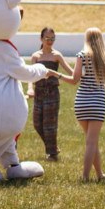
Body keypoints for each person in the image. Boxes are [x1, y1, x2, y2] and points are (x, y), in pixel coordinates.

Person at [58, 27, 105, 182]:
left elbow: (74, 79)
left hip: (82, 101)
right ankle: (85, 176)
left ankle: (99, 174)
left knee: (91, 141)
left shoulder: (81, 55)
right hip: (98, 102)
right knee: (92, 141)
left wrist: (57, 75)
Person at [28, 27, 72, 161]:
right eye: (47, 38)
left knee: (50, 125)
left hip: (52, 92)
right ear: (41, 39)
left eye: (52, 39)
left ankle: (52, 154)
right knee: (37, 123)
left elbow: (71, 72)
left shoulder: (56, 55)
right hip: (39, 92)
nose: (50, 41)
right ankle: (52, 147)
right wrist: (30, 89)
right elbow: (31, 75)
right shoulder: (36, 56)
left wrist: (81, 70)